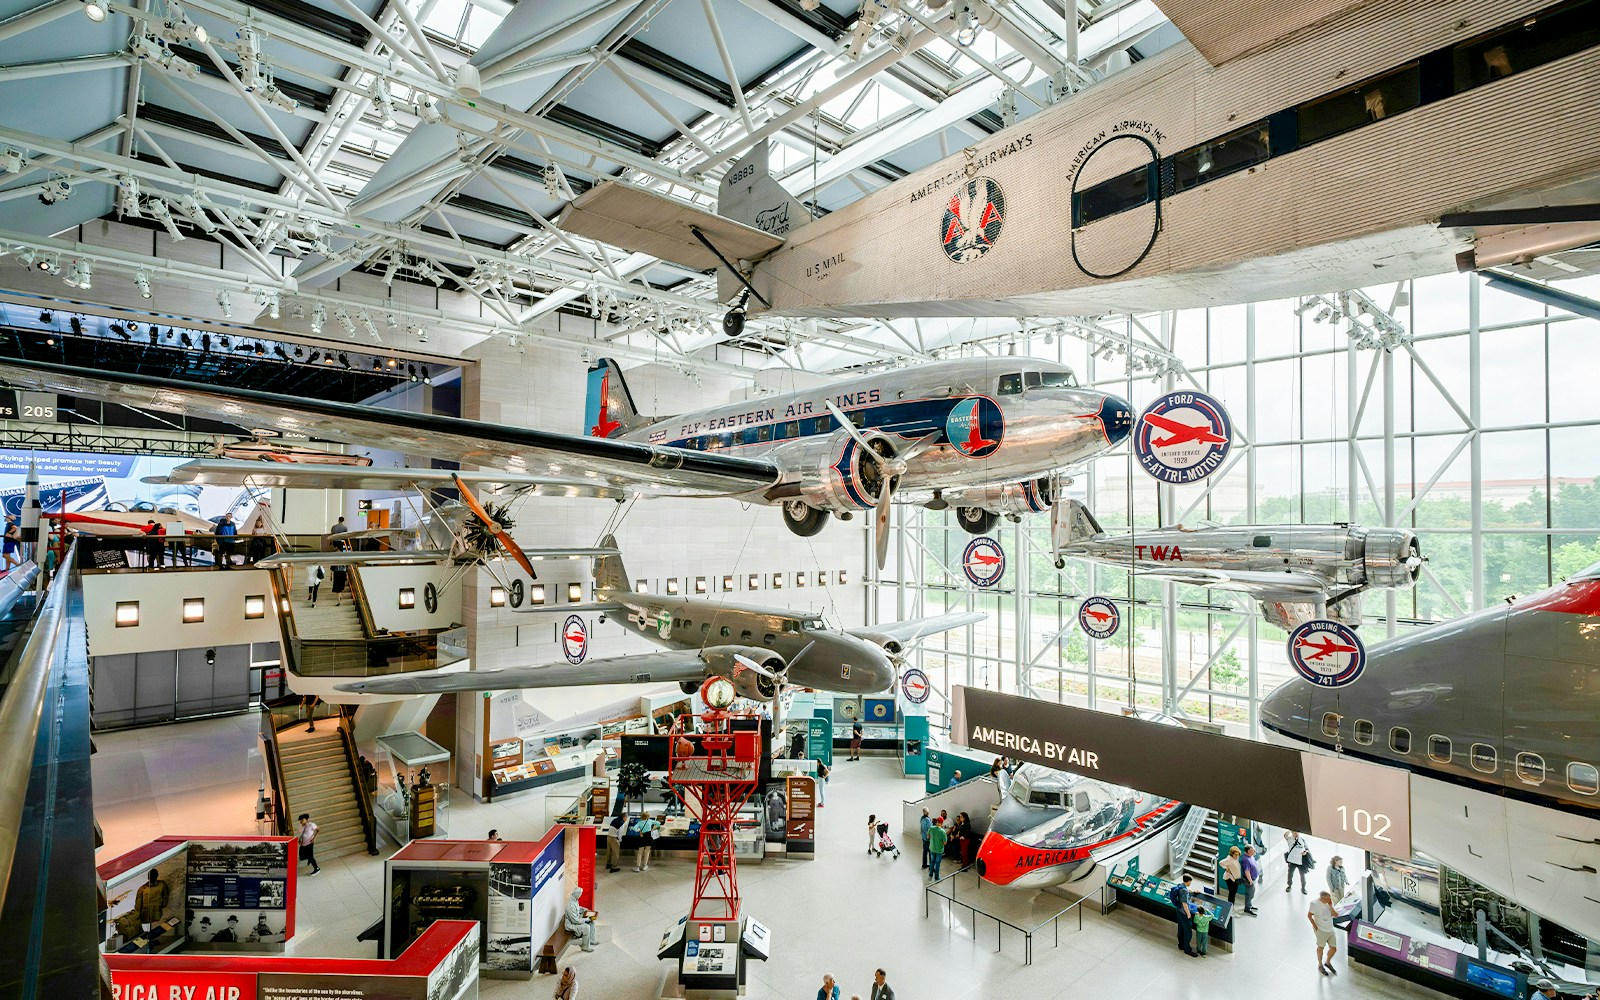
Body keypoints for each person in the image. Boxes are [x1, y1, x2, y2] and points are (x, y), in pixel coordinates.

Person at [1308, 889, 1338, 975]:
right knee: (1320, 948)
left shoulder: (1329, 904)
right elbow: (1309, 915)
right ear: (1323, 899)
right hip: (1321, 930)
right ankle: (1320, 965)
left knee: (1333, 948)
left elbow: (1336, 915)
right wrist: (1315, 927)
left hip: (1330, 929)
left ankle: (1328, 962)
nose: (1330, 900)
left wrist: (1331, 906)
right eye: (1328, 898)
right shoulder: (1314, 904)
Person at [1170, 873, 1199, 957]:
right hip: (1184, 912)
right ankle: (1187, 949)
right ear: (1189, 881)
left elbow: (1185, 891)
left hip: (1178, 910)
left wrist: (1193, 891)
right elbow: (1184, 903)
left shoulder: (1180, 885)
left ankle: (1181, 945)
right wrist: (1188, 913)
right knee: (1188, 931)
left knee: (1181, 928)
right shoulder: (1184, 891)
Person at [563, 887, 598, 952]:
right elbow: (575, 921)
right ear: (576, 894)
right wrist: (585, 920)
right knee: (586, 927)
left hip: (576, 919)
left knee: (592, 922)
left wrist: (585, 910)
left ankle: (591, 940)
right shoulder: (570, 906)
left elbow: (578, 908)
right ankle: (584, 947)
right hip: (571, 925)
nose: (580, 895)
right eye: (580, 894)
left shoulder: (574, 900)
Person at [1284, 830, 1311, 894]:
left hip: (1300, 861)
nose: (1295, 833)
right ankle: (1289, 886)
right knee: (1290, 874)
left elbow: (1307, 849)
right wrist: (1290, 830)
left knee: (1302, 875)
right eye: (1294, 832)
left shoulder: (1302, 840)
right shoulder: (1290, 839)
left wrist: (1305, 852)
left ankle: (1303, 888)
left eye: (1296, 832)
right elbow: (1285, 835)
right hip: (1292, 861)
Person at [1240, 845, 1261, 914]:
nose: (1254, 851)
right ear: (1248, 851)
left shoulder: (1251, 856)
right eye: (1253, 850)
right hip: (1249, 880)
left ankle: (1249, 905)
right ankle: (1247, 909)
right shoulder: (1245, 860)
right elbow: (1247, 871)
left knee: (1251, 893)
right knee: (1250, 894)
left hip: (1252, 879)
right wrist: (1250, 881)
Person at [927, 816, 948, 881]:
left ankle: (930, 875)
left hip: (932, 848)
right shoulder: (943, 831)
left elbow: (928, 837)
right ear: (942, 822)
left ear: (937, 822)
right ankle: (937, 877)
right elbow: (945, 843)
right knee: (937, 863)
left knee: (932, 862)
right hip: (939, 850)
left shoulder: (931, 828)